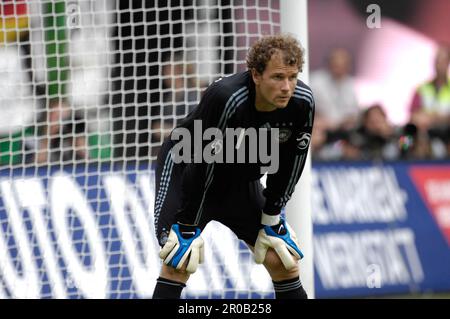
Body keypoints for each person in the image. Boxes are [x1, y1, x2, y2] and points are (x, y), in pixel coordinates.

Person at [152, 34, 314, 299]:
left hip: (239, 180)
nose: (287, 86)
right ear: (256, 75)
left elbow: (291, 165)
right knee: (178, 261)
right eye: (277, 77)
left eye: (293, 77)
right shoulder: (226, 97)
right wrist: (188, 224)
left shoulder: (302, 102)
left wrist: (272, 216)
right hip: (187, 169)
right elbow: (202, 164)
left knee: (281, 262)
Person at [310, 47, 359, 131]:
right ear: (329, 64)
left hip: (344, 131)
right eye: (336, 64)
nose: (340, 68)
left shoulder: (350, 83)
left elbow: (353, 112)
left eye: (344, 64)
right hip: (319, 130)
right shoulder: (315, 81)